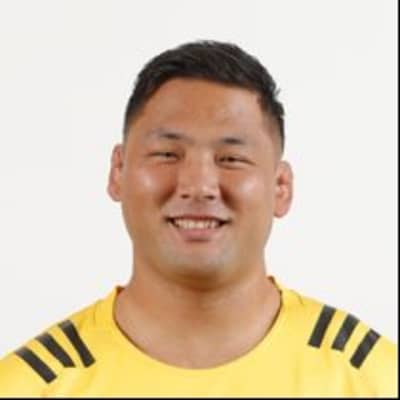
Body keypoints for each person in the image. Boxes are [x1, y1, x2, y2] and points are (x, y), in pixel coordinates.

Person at [0, 40, 397, 397]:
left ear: (281, 186)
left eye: (231, 159)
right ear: (118, 172)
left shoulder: (374, 379)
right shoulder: (28, 386)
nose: (199, 186)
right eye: (167, 154)